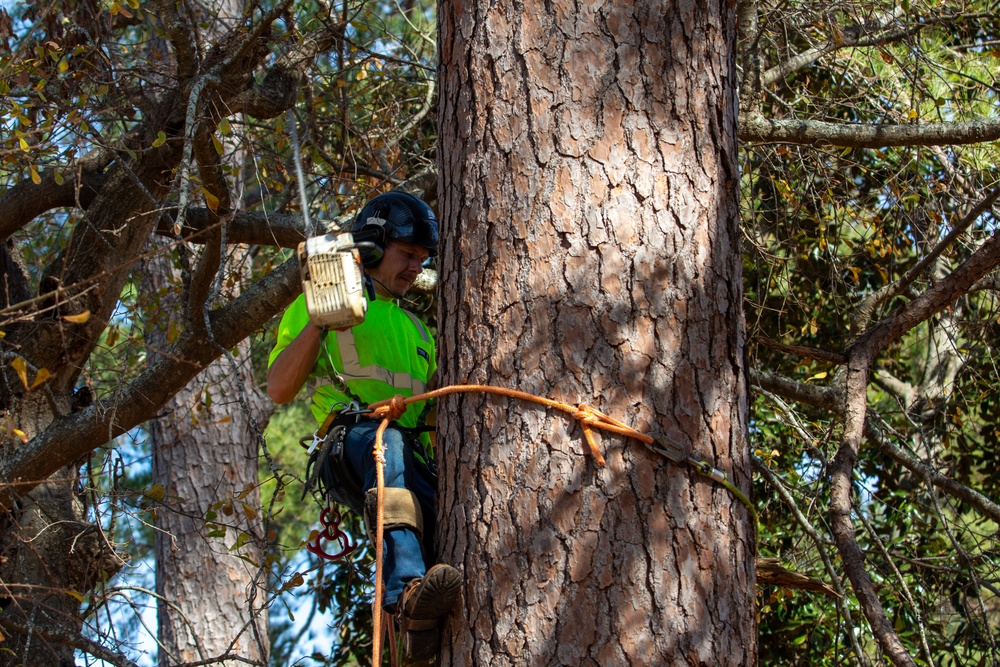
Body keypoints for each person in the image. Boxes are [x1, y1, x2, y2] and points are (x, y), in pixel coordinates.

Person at [267, 191, 460, 662]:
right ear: (372, 246)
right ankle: (406, 589)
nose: (416, 268)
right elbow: (278, 388)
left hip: (408, 459)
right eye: (407, 255)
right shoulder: (325, 305)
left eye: (422, 258)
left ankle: (419, 633)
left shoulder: (419, 330)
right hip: (351, 445)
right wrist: (319, 322)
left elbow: (431, 417)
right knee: (386, 442)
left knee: (446, 524)